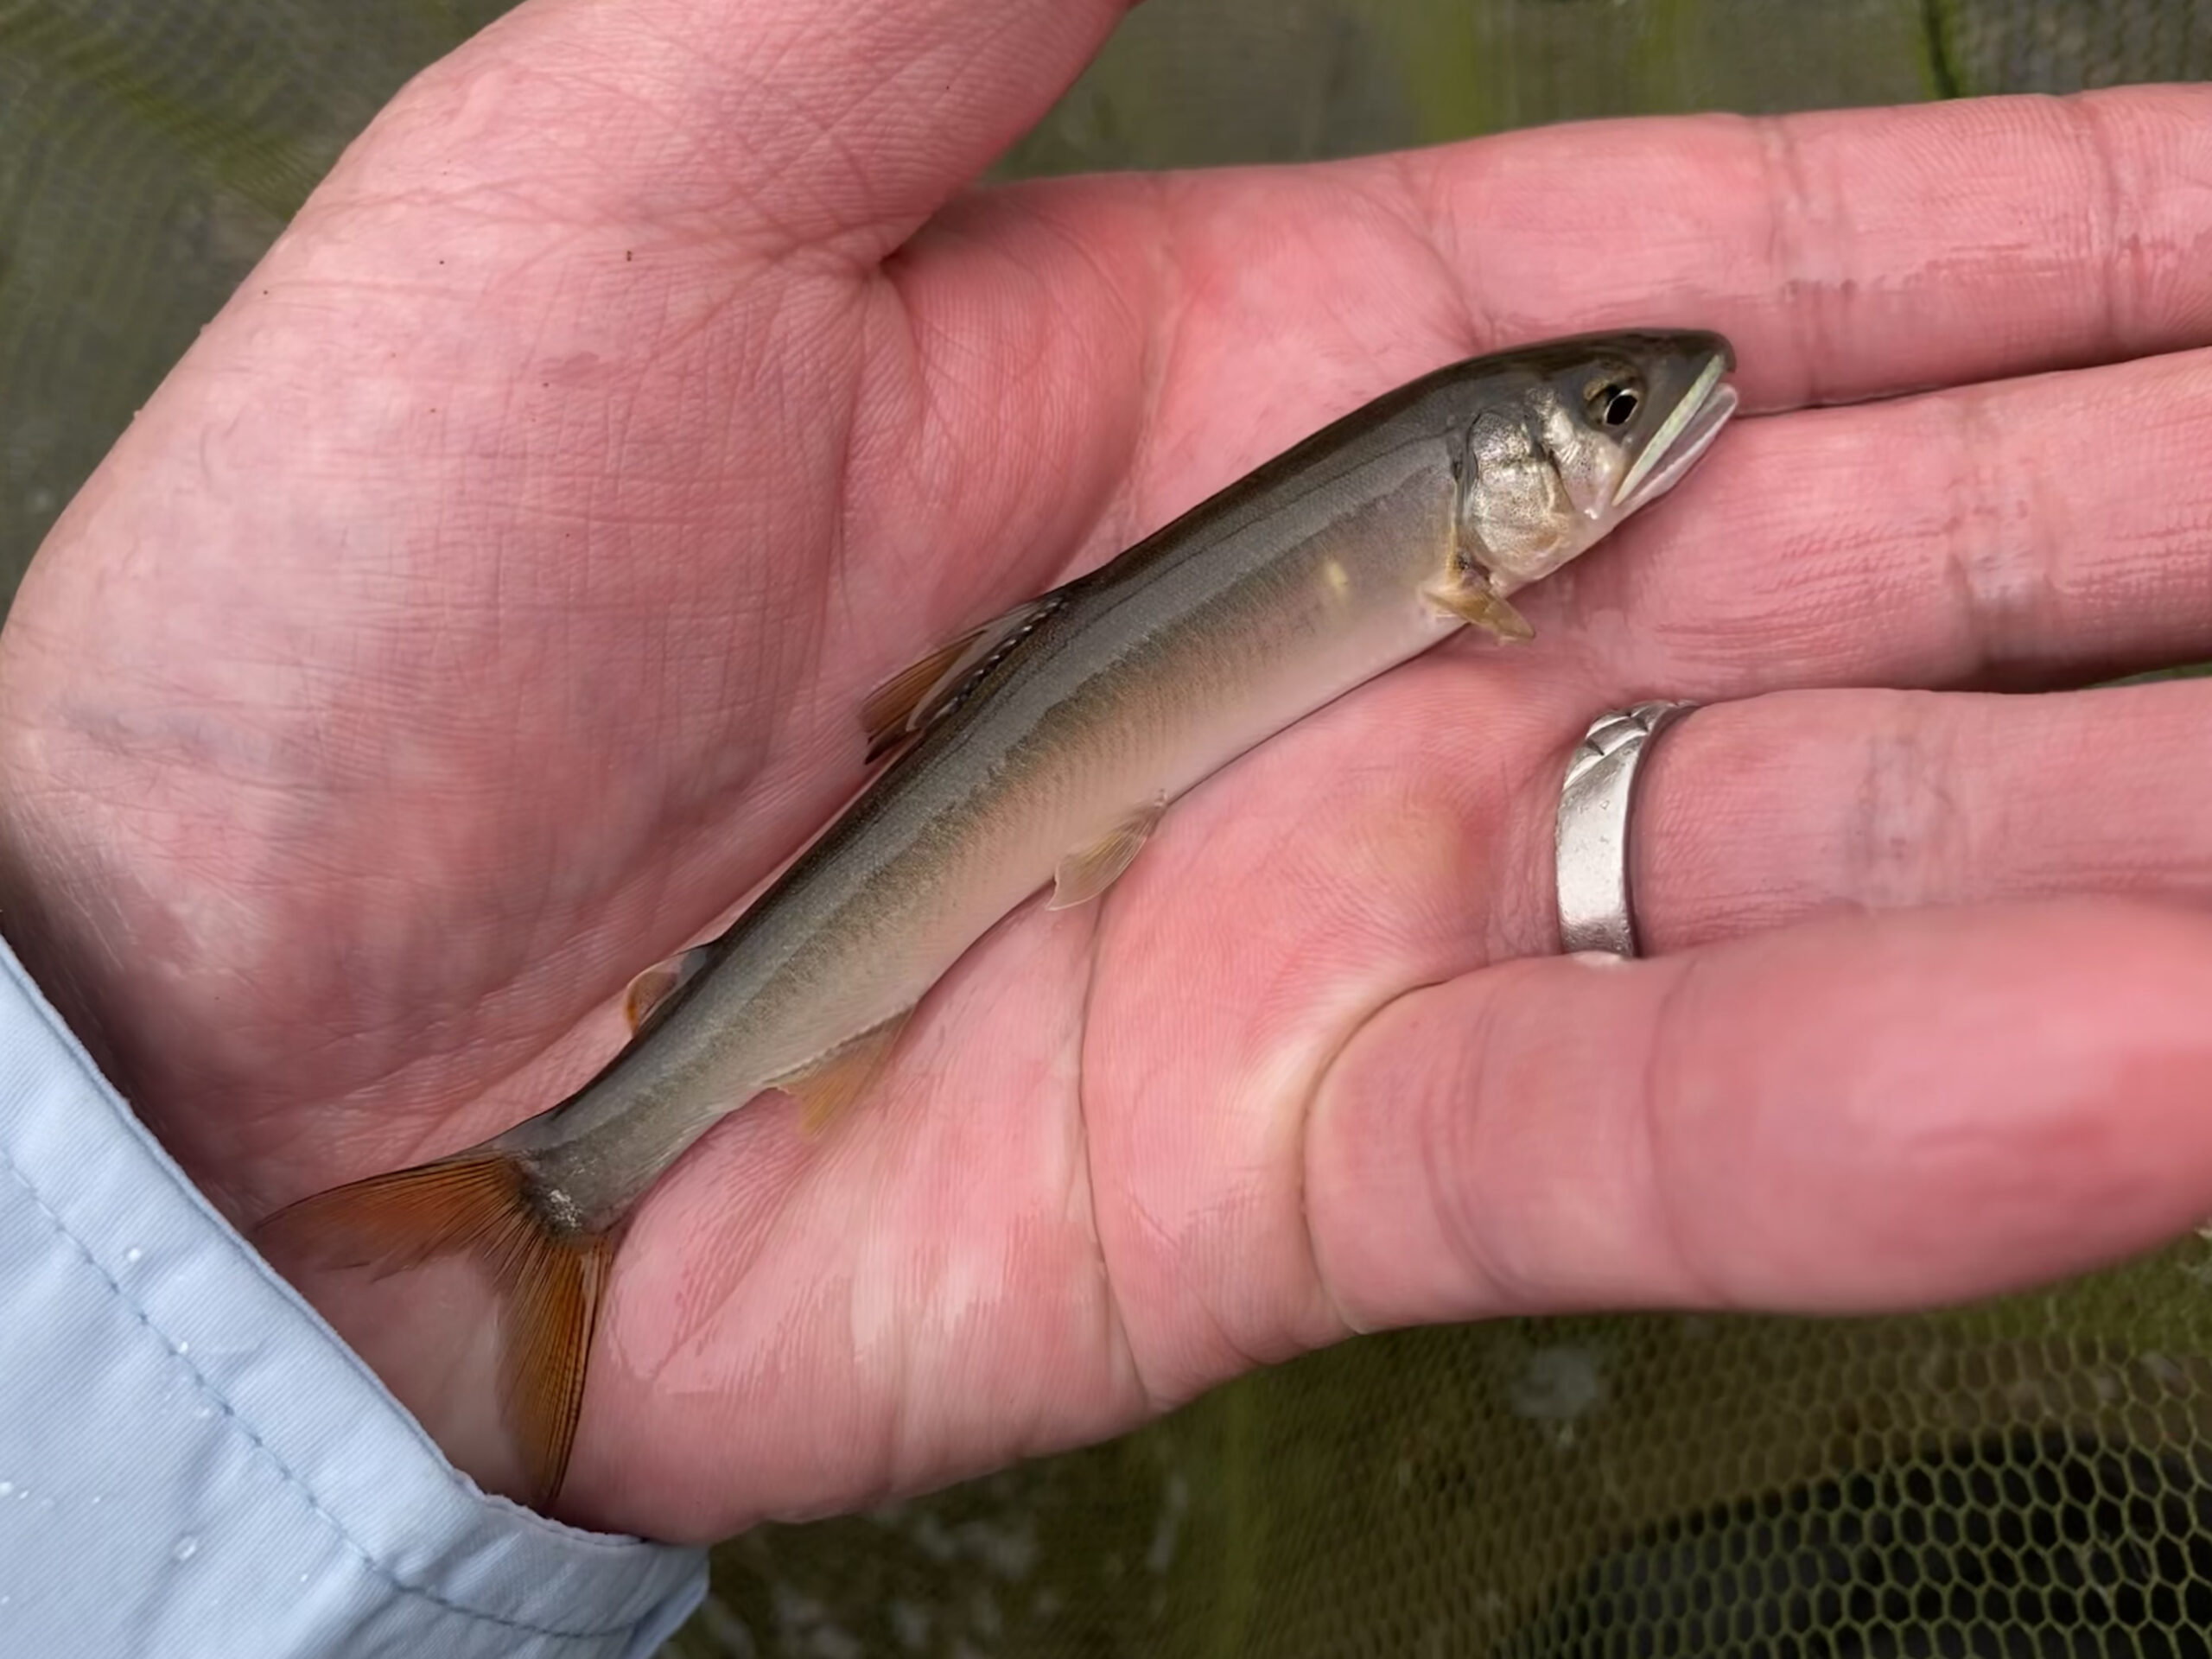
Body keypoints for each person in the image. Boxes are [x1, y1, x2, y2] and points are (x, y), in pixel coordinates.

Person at [2, 0, 2209, 1651]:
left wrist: (175, 1352)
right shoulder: (1448, 528)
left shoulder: (1460, 526)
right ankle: (565, 1186)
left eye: (1607, 411)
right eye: (1607, 420)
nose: (1653, 422)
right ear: (1498, 504)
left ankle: (543, 1198)